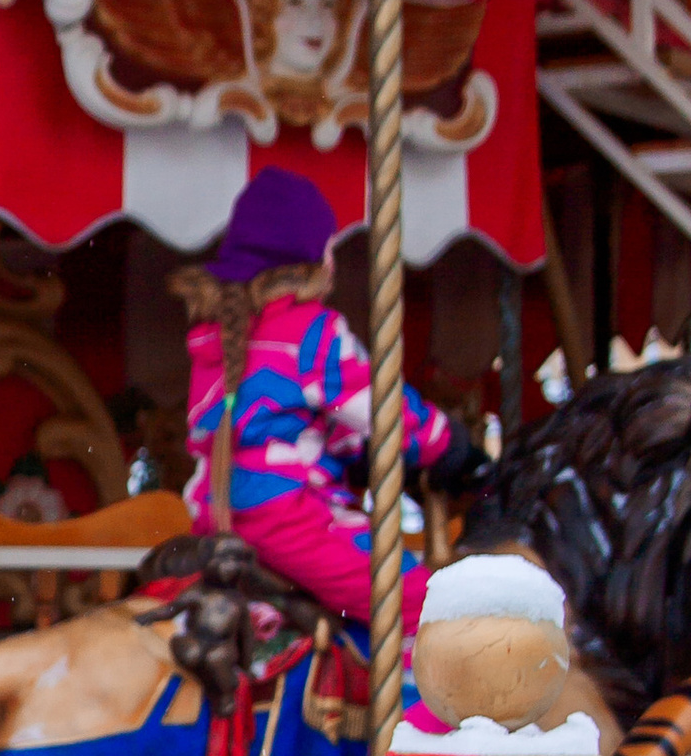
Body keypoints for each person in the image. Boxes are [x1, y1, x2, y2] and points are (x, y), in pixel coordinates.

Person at [176, 164, 482, 638]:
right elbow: (382, 409)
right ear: (312, 262)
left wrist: (351, 455)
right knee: (426, 602)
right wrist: (448, 445)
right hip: (288, 517)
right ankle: (416, 712)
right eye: (331, 247)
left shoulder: (214, 336)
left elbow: (278, 421)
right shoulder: (311, 332)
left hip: (213, 513)